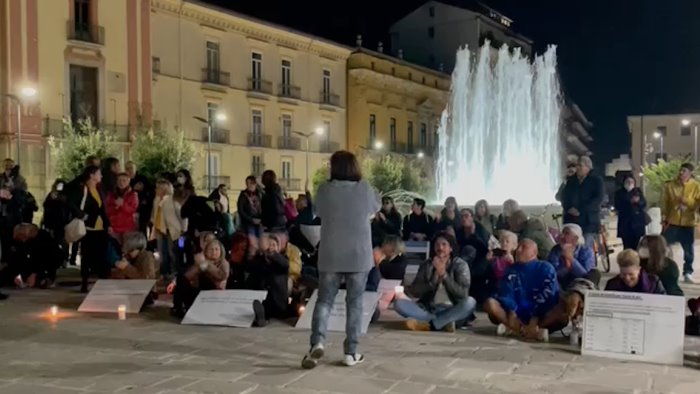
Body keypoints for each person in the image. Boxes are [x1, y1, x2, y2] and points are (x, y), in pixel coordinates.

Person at [301, 150, 379, 369]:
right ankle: (351, 352)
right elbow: (374, 210)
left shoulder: (325, 189)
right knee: (354, 304)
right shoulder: (364, 188)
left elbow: (317, 212)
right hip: (358, 254)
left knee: (324, 300)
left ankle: (317, 341)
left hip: (331, 253)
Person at [395, 232, 476, 332]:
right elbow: (415, 291)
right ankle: (442, 323)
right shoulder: (427, 264)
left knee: (470, 302)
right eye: (437, 245)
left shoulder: (460, 265)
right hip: (429, 310)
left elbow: (463, 294)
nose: (440, 248)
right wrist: (432, 282)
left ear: (451, 248)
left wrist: (444, 275)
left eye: (444, 244)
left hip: (452, 309)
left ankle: (431, 325)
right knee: (399, 304)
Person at [482, 239, 562, 342]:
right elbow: (506, 292)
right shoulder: (511, 269)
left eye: (524, 247)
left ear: (534, 252)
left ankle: (531, 328)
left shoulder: (546, 268)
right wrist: (512, 312)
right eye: (518, 247)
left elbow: (549, 293)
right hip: (516, 314)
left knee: (562, 310)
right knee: (490, 303)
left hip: (541, 314)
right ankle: (520, 329)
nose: (518, 250)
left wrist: (535, 317)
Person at [68, 165, 111, 293]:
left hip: (100, 227)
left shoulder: (98, 188)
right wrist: (83, 215)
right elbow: (70, 203)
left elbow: (102, 208)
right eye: (99, 173)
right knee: (87, 255)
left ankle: (102, 281)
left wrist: (107, 224)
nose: (101, 176)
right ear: (92, 175)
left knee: (102, 255)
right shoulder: (82, 188)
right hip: (88, 227)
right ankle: (85, 281)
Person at [661, 162, 700, 283]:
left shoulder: (696, 186)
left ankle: (688, 272)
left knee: (688, 250)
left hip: (688, 223)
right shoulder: (670, 186)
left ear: (690, 173)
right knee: (663, 246)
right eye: (680, 170)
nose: (681, 173)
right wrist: (664, 217)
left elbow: (697, 205)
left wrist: (686, 201)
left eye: (684, 171)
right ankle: (663, 270)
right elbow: (665, 202)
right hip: (672, 221)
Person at [172, 239, 230, 316]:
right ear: (206, 251)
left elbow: (221, 276)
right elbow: (189, 276)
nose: (214, 252)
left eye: (216, 249)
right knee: (181, 279)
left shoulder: (224, 263)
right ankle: (179, 308)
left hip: (215, 292)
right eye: (211, 249)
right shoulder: (203, 261)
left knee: (205, 280)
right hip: (200, 291)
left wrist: (208, 265)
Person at [559, 156, 605, 247]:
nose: (578, 168)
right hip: (571, 220)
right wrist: (568, 208)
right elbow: (563, 196)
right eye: (577, 165)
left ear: (588, 167)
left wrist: (581, 210)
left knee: (585, 247)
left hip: (588, 221)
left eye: (580, 165)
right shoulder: (571, 180)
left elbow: (598, 198)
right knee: (571, 246)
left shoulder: (596, 180)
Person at [248, 233, 292, 326]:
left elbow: (284, 265)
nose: (271, 247)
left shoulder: (283, 259)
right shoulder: (258, 260)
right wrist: (253, 252)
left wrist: (272, 254)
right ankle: (261, 319)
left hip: (278, 299)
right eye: (269, 245)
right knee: (263, 308)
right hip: (264, 298)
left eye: (273, 245)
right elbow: (250, 267)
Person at [6, 223, 63, 289]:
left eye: (22, 237)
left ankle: (45, 279)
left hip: (48, 263)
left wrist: (35, 274)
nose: (22, 240)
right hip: (34, 264)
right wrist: (16, 275)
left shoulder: (44, 239)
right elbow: (19, 258)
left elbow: (45, 259)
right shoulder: (26, 241)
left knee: (41, 277)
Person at [152, 179, 186, 283]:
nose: (156, 190)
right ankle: (164, 273)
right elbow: (155, 215)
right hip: (160, 230)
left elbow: (182, 216)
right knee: (162, 253)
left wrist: (183, 230)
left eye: (159, 188)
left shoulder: (172, 200)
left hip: (174, 231)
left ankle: (174, 273)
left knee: (174, 252)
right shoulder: (156, 200)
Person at [547, 223, 599, 288]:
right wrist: (566, 269)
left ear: (575, 238)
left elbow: (585, 275)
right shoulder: (556, 250)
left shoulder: (586, 251)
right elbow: (552, 272)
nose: (562, 236)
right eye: (562, 233)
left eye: (566, 233)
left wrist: (571, 259)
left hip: (580, 285)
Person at [41, 179, 73, 265]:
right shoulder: (51, 195)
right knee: (54, 241)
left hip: (63, 222)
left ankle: (64, 259)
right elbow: (46, 207)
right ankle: (56, 259)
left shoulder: (66, 196)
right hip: (53, 222)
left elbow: (69, 207)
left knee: (63, 241)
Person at [614, 175, 647, 249]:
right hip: (625, 224)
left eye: (631, 182)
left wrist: (638, 202)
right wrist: (629, 202)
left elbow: (644, 203)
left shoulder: (638, 191)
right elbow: (617, 206)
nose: (629, 183)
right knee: (627, 246)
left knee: (638, 246)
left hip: (637, 223)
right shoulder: (619, 193)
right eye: (627, 182)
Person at [105, 173, 139, 245]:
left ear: (128, 181)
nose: (121, 182)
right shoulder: (111, 194)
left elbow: (132, 210)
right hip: (114, 227)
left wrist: (123, 205)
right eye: (119, 180)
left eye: (124, 180)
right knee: (115, 249)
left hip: (128, 227)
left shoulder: (133, 194)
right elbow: (107, 209)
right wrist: (116, 206)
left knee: (127, 249)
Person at [237, 175, 263, 256]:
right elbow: (241, 211)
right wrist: (251, 220)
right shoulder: (243, 195)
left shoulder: (260, 194)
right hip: (248, 223)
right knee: (252, 243)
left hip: (260, 222)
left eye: (251, 183)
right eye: (247, 183)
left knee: (261, 242)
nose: (249, 185)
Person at [126, 161, 153, 235]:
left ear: (135, 168)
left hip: (143, 209)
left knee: (142, 230)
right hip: (130, 210)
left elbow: (150, 191)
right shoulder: (125, 180)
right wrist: (133, 189)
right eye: (127, 168)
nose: (129, 170)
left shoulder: (143, 178)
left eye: (131, 168)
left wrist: (146, 199)